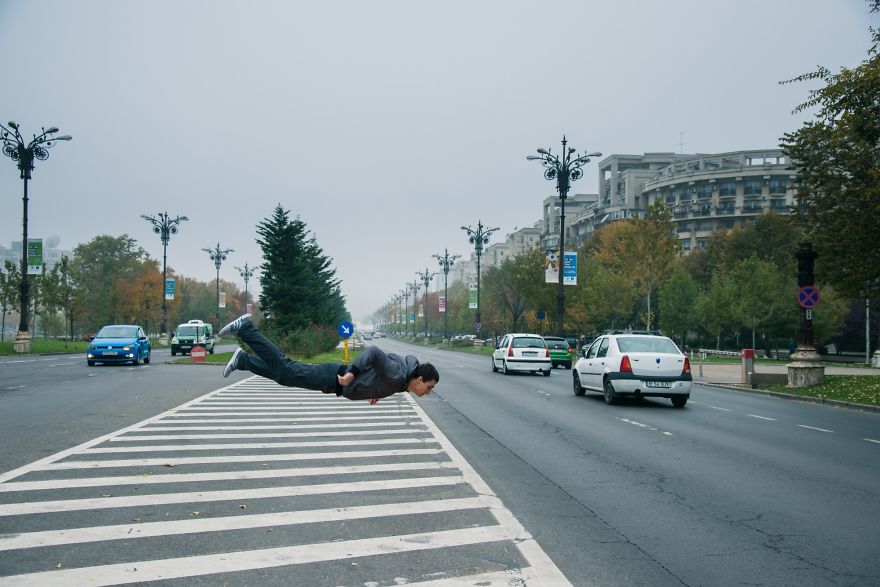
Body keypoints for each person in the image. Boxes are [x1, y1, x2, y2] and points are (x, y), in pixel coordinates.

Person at [219, 314, 438, 404]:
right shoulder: (399, 374)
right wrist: (352, 373)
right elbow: (374, 353)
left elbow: (384, 364)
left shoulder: (402, 379)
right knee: (286, 369)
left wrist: (375, 390)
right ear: (419, 379)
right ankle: (247, 330)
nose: (427, 392)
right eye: (428, 387)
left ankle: (244, 360)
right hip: (333, 377)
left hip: (333, 382)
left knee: (285, 376)